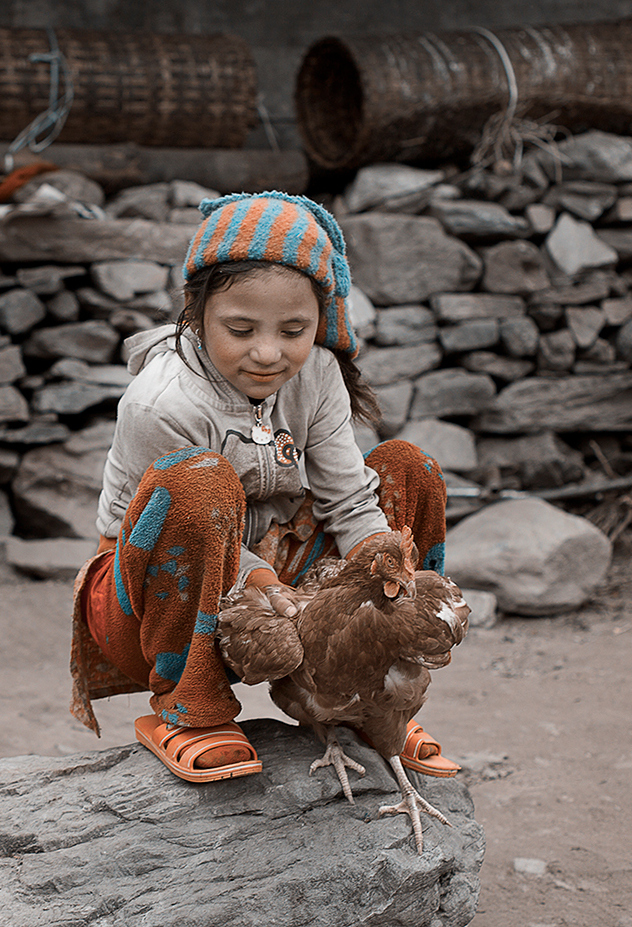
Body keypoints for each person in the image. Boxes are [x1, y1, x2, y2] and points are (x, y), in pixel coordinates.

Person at [68, 189, 460, 783]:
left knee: (411, 469)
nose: (269, 352)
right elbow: (165, 529)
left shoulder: (319, 374)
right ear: (194, 315)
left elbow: (349, 500)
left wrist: (387, 576)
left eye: (294, 329)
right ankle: (188, 707)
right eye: (241, 328)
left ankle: (370, 702)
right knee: (201, 483)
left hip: (283, 583)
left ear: (319, 323)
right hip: (156, 591)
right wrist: (273, 591)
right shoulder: (161, 404)